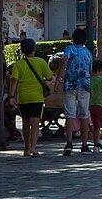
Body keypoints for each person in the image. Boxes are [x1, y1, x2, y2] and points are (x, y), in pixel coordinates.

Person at [8, 37, 52, 157]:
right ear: (34, 49)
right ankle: (33, 147)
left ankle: (26, 149)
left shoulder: (19, 64)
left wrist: (11, 96)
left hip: (23, 97)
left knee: (26, 122)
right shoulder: (41, 62)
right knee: (35, 121)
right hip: (37, 96)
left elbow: (14, 81)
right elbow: (49, 77)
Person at [54, 28, 93, 156]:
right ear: (85, 40)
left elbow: (64, 62)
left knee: (70, 114)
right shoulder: (88, 53)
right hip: (85, 85)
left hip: (70, 84)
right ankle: (84, 144)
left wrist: (58, 79)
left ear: (73, 39)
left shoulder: (69, 49)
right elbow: (90, 70)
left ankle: (69, 143)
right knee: (84, 114)